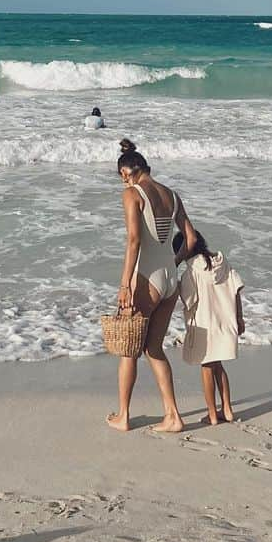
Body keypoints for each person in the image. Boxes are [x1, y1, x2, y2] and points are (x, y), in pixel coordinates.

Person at [107, 139, 197, 434]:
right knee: (154, 348)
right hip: (170, 278)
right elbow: (191, 239)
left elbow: (133, 240)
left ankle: (123, 416)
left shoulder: (132, 194)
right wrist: (173, 261)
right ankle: (173, 416)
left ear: (127, 172)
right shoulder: (172, 195)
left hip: (147, 278)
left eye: (123, 177)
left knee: (129, 350)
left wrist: (124, 284)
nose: (124, 182)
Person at [179, 233, 244, 425]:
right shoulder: (222, 263)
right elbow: (237, 289)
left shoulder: (192, 271)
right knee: (218, 366)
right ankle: (228, 410)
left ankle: (212, 414)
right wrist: (239, 317)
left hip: (205, 325)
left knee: (207, 367)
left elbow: (189, 300)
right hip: (225, 322)